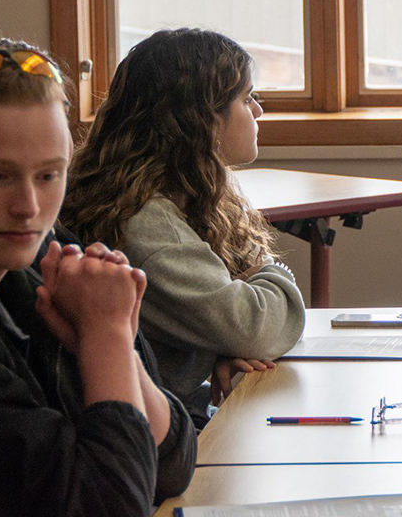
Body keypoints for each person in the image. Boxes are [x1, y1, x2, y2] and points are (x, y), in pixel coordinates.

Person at [0, 39, 196, 515]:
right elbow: (109, 506)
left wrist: (102, 348)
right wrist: (108, 336)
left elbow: (172, 460)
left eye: (49, 176)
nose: (28, 207)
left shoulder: (38, 265)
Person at [62, 29, 305, 428]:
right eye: (246, 99)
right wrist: (268, 277)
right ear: (202, 120)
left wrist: (221, 347)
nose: (258, 111)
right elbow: (252, 325)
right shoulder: (145, 224)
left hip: (168, 412)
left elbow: (232, 329)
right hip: (153, 433)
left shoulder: (178, 196)